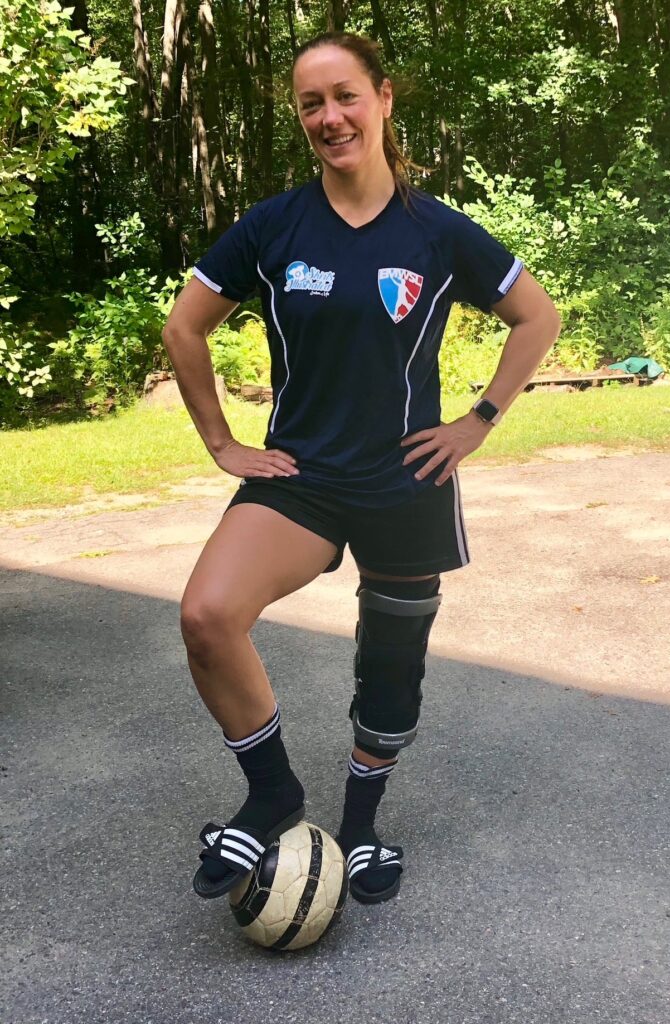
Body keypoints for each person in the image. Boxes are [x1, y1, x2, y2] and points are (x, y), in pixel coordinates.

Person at [162, 31, 561, 905]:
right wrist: (222, 444)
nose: (329, 117)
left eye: (344, 95)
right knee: (207, 615)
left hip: (405, 482)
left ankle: (361, 824)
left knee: (390, 664)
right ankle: (272, 793)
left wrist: (477, 421)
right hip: (300, 479)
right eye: (311, 103)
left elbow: (537, 316)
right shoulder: (273, 226)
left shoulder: (436, 230)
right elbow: (183, 327)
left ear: (382, 99)